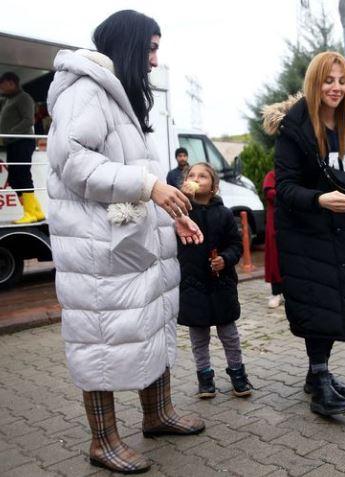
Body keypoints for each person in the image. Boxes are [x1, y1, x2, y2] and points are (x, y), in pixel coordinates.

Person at [46, 10, 205, 473]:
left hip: (131, 242)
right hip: (98, 249)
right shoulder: (86, 91)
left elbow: (133, 169)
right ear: (131, 45)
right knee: (100, 340)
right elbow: (73, 162)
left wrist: (170, 215)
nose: (155, 60)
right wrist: (148, 186)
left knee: (149, 324)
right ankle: (103, 441)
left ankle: (157, 414)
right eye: (151, 48)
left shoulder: (118, 95)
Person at [261, 51, 345, 416]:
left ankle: (318, 375)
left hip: (338, 231)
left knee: (333, 301)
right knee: (316, 303)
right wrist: (320, 200)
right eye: (329, 80)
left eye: (342, 81)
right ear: (314, 82)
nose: (336, 87)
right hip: (302, 231)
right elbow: (285, 187)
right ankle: (320, 379)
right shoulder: (294, 128)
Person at [178, 162, 253, 399]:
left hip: (221, 284)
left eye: (203, 176)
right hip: (192, 285)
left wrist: (226, 259)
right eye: (192, 175)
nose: (196, 179)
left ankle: (238, 374)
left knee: (229, 334)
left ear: (213, 187)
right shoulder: (179, 214)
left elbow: (236, 244)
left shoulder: (224, 213)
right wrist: (180, 202)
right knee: (199, 338)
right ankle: (205, 377)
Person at [0, 71, 44, 224]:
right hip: (13, 142)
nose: (1, 87)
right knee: (14, 178)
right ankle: (37, 211)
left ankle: (30, 213)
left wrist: (9, 134)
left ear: (11, 83)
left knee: (22, 175)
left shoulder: (24, 98)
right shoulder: (8, 100)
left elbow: (28, 120)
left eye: (2, 84)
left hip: (22, 141)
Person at [263, 168, 284, 308]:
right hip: (276, 221)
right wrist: (288, 194)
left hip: (296, 221)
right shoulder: (272, 174)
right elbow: (269, 192)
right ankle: (276, 292)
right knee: (275, 257)